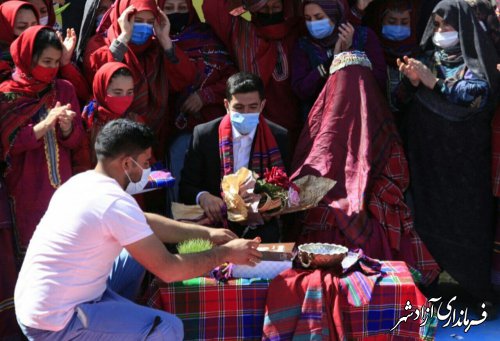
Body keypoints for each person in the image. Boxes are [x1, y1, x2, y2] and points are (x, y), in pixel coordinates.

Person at [14, 118, 263, 340]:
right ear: (126, 164)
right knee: (167, 328)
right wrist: (226, 253)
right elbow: (169, 269)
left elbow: (143, 221)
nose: (147, 169)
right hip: (55, 322)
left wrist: (206, 233)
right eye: (145, 162)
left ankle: (123, 325)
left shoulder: (81, 182)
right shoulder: (112, 202)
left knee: (131, 257)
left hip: (39, 303)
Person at [291, 50, 440, 286]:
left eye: (360, 82)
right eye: (344, 82)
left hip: (372, 203)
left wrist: (366, 197)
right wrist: (337, 197)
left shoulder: (382, 125)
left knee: (374, 221)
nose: (353, 91)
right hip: (327, 204)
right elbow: (308, 176)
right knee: (329, 215)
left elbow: (397, 176)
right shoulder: (322, 126)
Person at [394, 0, 498, 304]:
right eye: (437, 25)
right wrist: (411, 82)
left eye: (448, 26)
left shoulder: (475, 58)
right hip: (427, 161)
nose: (441, 32)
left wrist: (433, 82)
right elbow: (399, 102)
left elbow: (476, 96)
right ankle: (429, 288)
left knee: (467, 226)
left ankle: (473, 291)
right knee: (425, 224)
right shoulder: (426, 58)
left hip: (465, 167)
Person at [0, 25, 85, 256]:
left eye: (57, 62)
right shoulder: (6, 94)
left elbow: (77, 141)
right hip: (25, 190)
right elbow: (8, 144)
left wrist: (67, 129)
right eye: (46, 61)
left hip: (62, 189)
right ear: (28, 58)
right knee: (32, 255)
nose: (53, 69)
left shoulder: (63, 89)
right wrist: (45, 125)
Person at [179, 72, 290, 242]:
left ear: (262, 105)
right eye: (238, 108)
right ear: (226, 105)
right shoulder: (204, 135)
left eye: (252, 107)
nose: (245, 113)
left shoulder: (279, 137)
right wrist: (204, 197)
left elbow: (287, 191)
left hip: (259, 224)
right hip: (215, 220)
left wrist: (264, 200)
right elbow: (186, 187)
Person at [86, 0, 197, 160]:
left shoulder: (156, 48)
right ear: (122, 18)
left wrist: (165, 40)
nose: (144, 27)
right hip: (113, 140)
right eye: (137, 21)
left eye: (149, 22)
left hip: (155, 139)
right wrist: (123, 38)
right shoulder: (100, 43)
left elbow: (184, 79)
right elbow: (99, 79)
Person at [159, 0, 238, 202]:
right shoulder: (154, 44)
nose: (176, 13)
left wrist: (205, 96)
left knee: (217, 184)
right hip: (174, 133)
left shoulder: (207, 36)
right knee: (177, 183)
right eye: (169, 9)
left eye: (182, 8)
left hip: (213, 127)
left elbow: (232, 78)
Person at [202, 0, 302, 145]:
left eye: (276, 7)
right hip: (252, 124)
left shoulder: (297, 31)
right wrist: (247, 4)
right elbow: (213, 8)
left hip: (297, 124)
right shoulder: (241, 31)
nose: (270, 12)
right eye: (264, 7)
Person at [291, 0, 386, 120]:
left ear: (334, 15)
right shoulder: (303, 46)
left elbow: (379, 81)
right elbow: (301, 90)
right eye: (308, 18)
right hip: (322, 124)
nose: (313, 24)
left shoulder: (364, 36)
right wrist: (330, 63)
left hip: (362, 119)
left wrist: (349, 52)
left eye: (319, 17)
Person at [365, 0, 421, 113]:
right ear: (381, 21)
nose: (398, 27)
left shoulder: (420, 56)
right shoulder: (370, 53)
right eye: (392, 21)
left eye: (404, 22)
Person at [81, 62, 139, 166]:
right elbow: (81, 163)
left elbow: (145, 161)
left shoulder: (135, 121)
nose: (124, 98)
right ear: (102, 90)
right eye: (118, 92)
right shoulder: (88, 120)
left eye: (129, 92)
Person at [0, 1, 38, 81]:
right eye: (22, 27)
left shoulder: (45, 51)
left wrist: (64, 63)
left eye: (34, 25)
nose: (30, 31)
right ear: (4, 29)